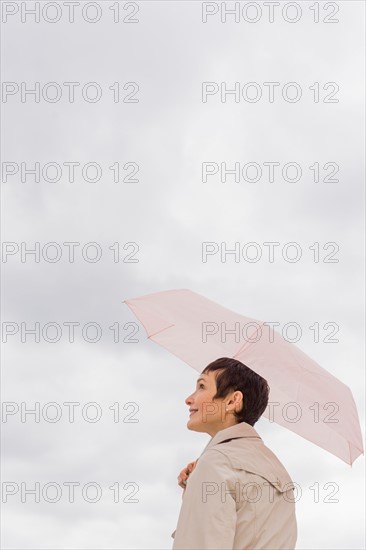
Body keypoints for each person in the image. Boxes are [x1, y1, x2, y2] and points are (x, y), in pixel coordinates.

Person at [171, 357, 297, 549]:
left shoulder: (216, 463)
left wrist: (203, 476)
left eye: (202, 386)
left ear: (232, 401)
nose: (189, 399)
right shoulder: (278, 471)